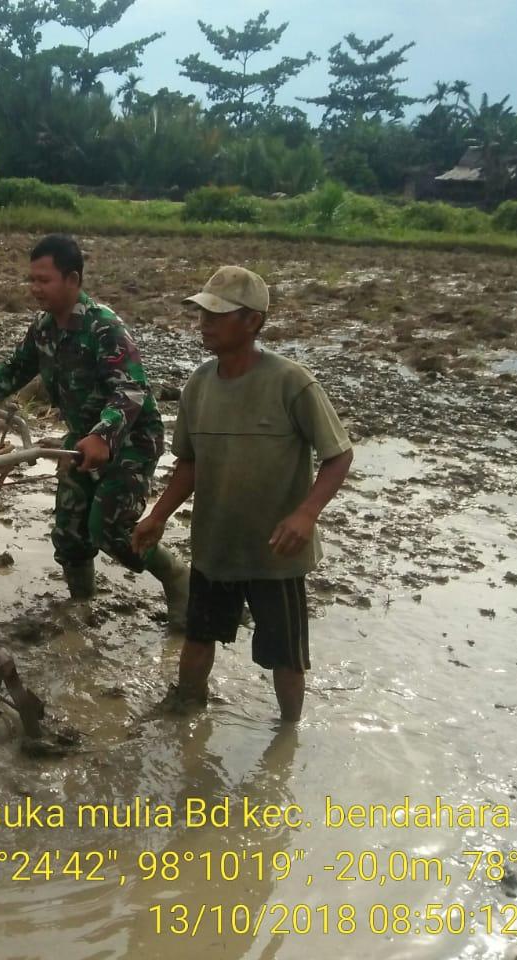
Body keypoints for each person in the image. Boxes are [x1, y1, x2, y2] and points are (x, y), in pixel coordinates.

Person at [131, 265, 354, 722]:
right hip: (216, 544)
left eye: (217, 314)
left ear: (252, 321)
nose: (204, 324)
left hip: (276, 551)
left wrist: (306, 514)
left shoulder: (291, 382)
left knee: (286, 655)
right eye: (201, 314)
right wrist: (158, 515)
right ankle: (185, 710)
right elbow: (189, 464)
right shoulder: (199, 385)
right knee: (198, 638)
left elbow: (339, 456)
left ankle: (287, 734)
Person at [0, 234, 190, 626]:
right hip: (82, 440)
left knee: (111, 529)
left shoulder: (103, 327)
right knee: (69, 530)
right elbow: (16, 369)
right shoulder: (44, 328)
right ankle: (82, 604)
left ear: (73, 279)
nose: (34, 289)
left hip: (130, 440)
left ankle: (179, 579)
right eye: (31, 280)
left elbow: (131, 390)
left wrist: (103, 435)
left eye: (44, 280)